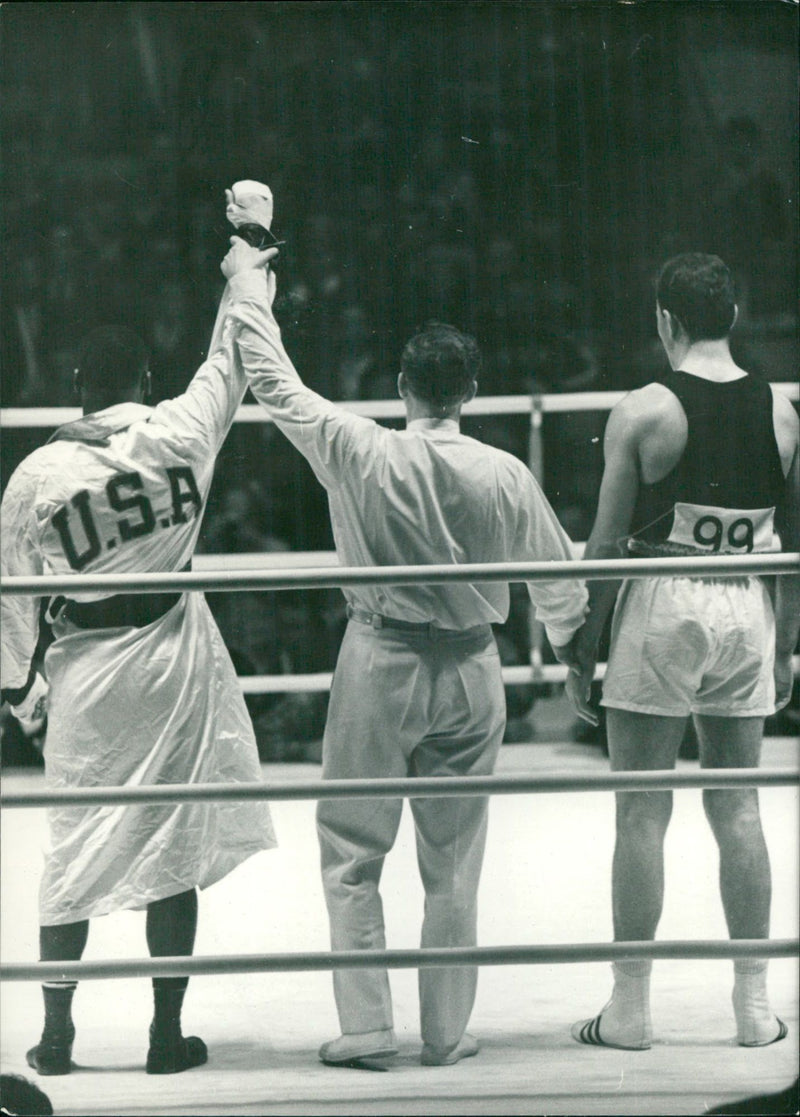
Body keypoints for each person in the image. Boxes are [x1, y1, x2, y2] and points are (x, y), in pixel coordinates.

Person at [222, 236, 588, 1068]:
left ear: (400, 388)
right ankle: (446, 1033)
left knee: (353, 850)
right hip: (471, 665)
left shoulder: (361, 447)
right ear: (471, 391)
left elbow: (275, 383)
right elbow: (562, 581)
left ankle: (366, 1027)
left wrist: (250, 284)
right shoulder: (502, 471)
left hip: (379, 661)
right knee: (454, 861)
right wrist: (572, 658)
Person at [0, 183, 280, 1076]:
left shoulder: (38, 471)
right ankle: (165, 1034)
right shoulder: (179, 430)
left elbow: (9, 592)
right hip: (169, 652)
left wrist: (15, 685)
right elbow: (233, 356)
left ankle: (54, 1034)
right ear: (146, 385)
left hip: (85, 666)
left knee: (74, 841)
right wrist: (248, 251)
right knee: (174, 839)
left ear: (77, 385)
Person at [566, 252, 800, 1050]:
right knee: (739, 805)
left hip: (664, 602)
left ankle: (629, 1010)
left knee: (642, 809)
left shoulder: (644, 410)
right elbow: (793, 545)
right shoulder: (785, 411)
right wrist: (786, 647)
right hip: (749, 604)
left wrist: (577, 647)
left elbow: (602, 543)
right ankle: (754, 1007)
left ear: (665, 320)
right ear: (731, 315)